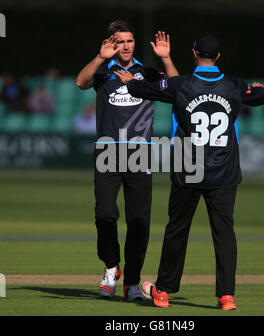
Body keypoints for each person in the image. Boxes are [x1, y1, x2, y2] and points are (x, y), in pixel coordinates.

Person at [115, 33, 264, 309]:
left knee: (177, 229)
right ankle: (226, 296)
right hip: (223, 170)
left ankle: (162, 292)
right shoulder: (234, 85)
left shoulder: (181, 84)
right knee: (224, 233)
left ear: (194, 54)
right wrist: (258, 88)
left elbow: (144, 90)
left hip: (189, 166)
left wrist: (131, 82)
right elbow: (259, 96)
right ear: (218, 57)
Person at [75, 20, 178, 301]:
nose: (125, 46)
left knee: (139, 221)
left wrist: (166, 58)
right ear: (111, 43)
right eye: (120, 41)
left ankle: (132, 282)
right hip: (107, 151)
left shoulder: (146, 72)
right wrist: (99, 57)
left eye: (129, 41)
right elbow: (80, 82)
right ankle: (111, 267)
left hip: (139, 152)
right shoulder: (103, 71)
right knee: (104, 214)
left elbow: (176, 88)